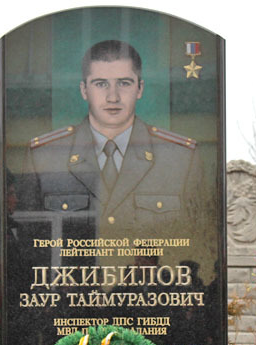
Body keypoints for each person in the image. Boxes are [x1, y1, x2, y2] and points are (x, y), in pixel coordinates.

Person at [21, 40, 203, 259]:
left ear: (140, 89)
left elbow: (196, 243)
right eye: (100, 84)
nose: (113, 97)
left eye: (124, 83)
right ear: (84, 90)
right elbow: (31, 246)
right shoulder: (43, 156)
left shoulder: (180, 158)